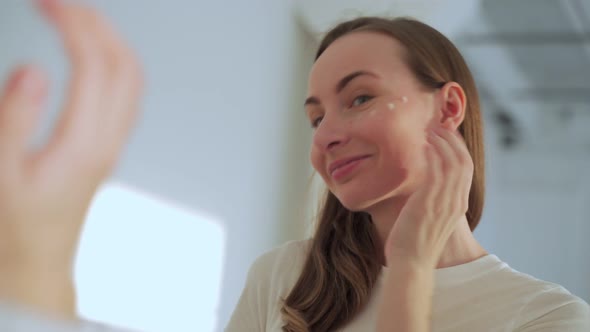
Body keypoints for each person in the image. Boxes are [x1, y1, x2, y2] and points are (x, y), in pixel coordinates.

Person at [0, 1, 588, 332]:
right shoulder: (284, 278)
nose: (328, 135)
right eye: (315, 118)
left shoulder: (547, 319)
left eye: (359, 98)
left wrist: (411, 270)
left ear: (448, 108)